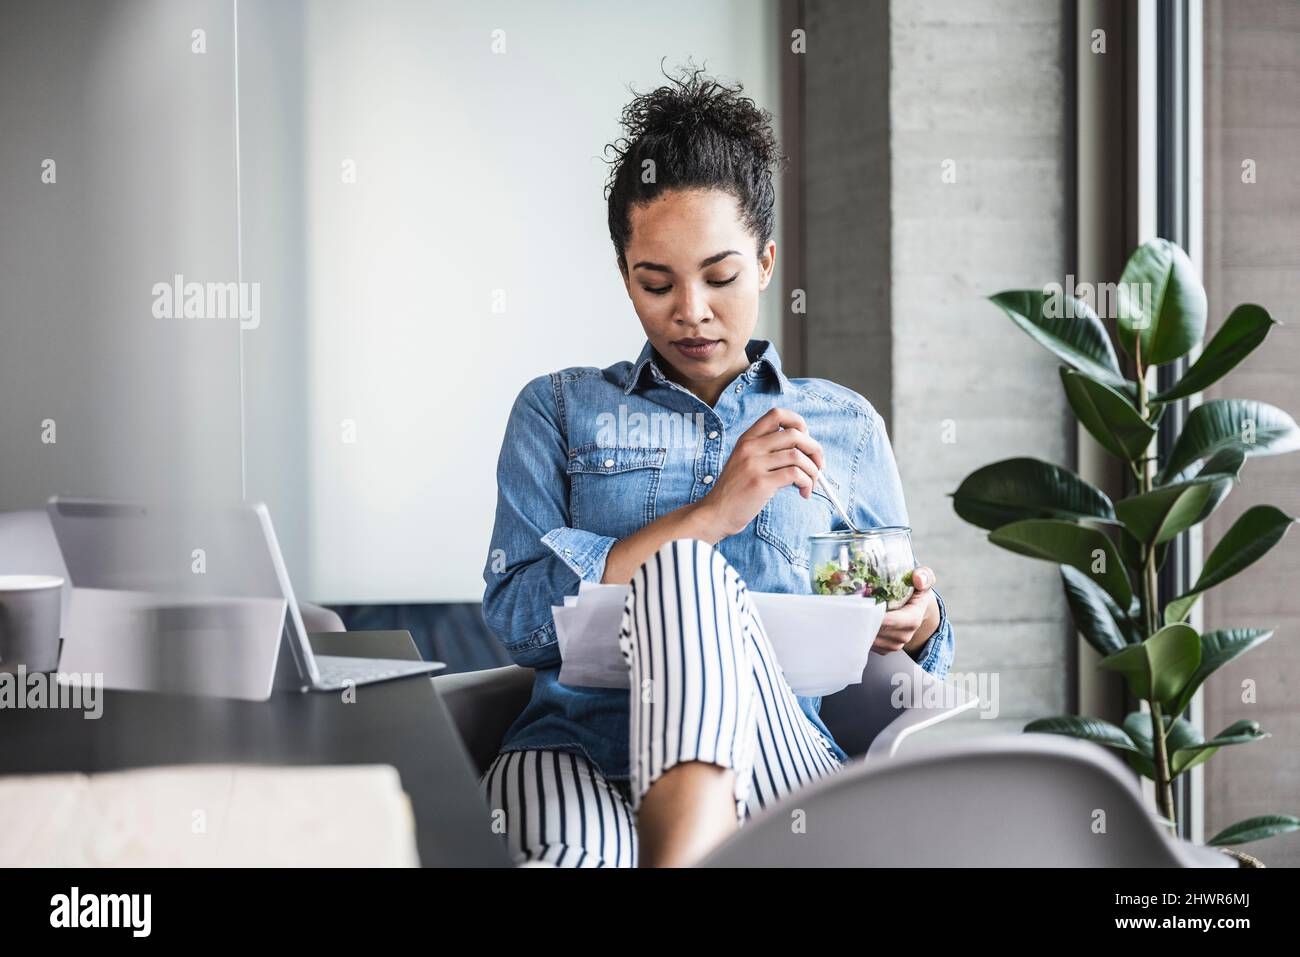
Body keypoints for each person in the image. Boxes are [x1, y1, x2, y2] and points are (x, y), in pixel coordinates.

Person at [479, 62, 954, 868]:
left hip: (772, 756)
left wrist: (920, 621)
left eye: (721, 276)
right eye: (655, 282)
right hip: (574, 750)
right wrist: (708, 518)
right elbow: (518, 619)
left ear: (766, 263)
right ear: (624, 275)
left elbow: (902, 637)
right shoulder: (556, 409)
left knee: (688, 578)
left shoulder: (843, 424)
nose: (691, 311)